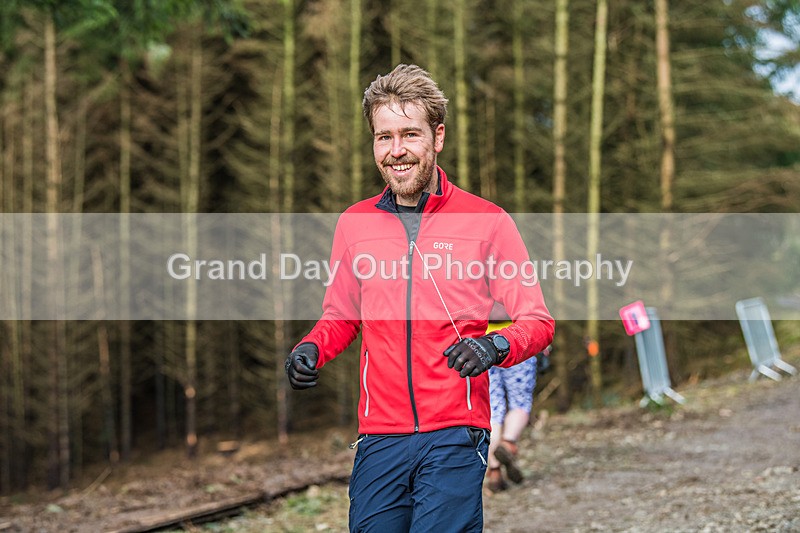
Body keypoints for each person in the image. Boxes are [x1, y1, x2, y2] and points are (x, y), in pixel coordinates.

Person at [285, 64, 554, 532]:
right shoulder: (354, 224)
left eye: (409, 134)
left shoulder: (487, 221)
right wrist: (311, 347)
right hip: (379, 437)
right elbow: (341, 315)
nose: (396, 151)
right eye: (383, 136)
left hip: (455, 431)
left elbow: (537, 320)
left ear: (438, 137)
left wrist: (493, 346)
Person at [484, 311, 538, 493]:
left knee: (492, 408)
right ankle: (507, 443)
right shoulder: (517, 281)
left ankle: (494, 470)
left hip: (481, 343)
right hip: (518, 339)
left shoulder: (468, 282)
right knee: (520, 402)